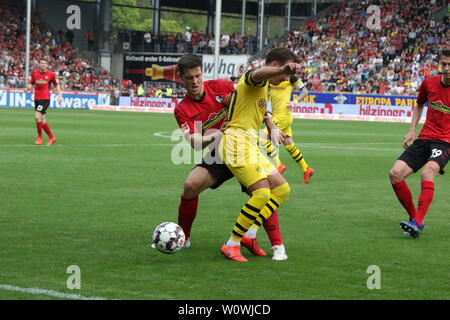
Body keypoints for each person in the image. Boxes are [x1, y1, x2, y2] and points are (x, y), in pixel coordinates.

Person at [166, 54, 289, 260]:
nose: (195, 81)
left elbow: (252, 100)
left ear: (202, 73)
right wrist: (218, 134)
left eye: (198, 76)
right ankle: (183, 236)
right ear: (182, 78)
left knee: (263, 191)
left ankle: (276, 245)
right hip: (218, 154)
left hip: (242, 147)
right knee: (190, 186)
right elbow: (195, 142)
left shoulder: (221, 86)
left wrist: (271, 124)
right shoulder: (182, 109)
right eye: (189, 78)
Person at [219, 48, 301, 262]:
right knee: (262, 193)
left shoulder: (265, 88)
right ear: (274, 65)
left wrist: (272, 125)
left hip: (249, 144)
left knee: (282, 189)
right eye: (284, 73)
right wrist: (283, 69)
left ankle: (250, 234)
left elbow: (262, 110)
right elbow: (256, 74)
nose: (286, 78)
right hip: (235, 142)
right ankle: (232, 244)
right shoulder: (254, 79)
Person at [388, 48, 450, 238]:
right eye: (444, 64)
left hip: (445, 141)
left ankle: (417, 221)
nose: (446, 68)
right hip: (425, 138)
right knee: (395, 174)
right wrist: (412, 129)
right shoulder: (429, 83)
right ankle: (415, 219)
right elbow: (419, 104)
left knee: (427, 171)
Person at [263, 73, 315, 183]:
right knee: (289, 144)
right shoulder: (269, 78)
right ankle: (306, 169)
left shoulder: (290, 77)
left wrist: (294, 102)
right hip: (276, 115)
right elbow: (264, 95)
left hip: (284, 115)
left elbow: (305, 91)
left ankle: (279, 165)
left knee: (262, 138)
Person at [27, 58, 63, 146]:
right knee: (42, 121)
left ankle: (40, 137)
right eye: (41, 63)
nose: (43, 64)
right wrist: (29, 86)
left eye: (44, 63)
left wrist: (59, 96)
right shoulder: (34, 73)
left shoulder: (50, 74)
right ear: (39, 64)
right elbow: (31, 82)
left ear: (47, 65)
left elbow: (57, 85)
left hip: (45, 99)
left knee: (37, 116)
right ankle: (52, 137)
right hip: (37, 99)